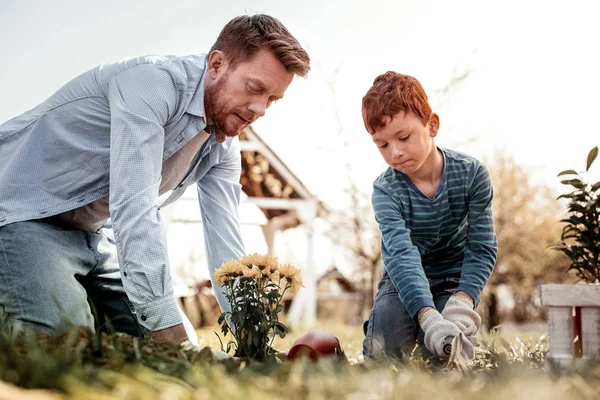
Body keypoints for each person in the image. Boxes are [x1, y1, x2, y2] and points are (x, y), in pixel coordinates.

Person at [0, 14, 310, 348]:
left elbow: (226, 247)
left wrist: (252, 337)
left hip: (94, 237)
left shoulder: (223, 146)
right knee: (65, 347)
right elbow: (134, 208)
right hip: (22, 216)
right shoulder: (150, 84)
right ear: (217, 64)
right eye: (255, 88)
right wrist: (167, 329)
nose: (261, 109)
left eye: (273, 99)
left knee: (181, 349)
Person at [361, 72, 498, 362]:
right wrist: (427, 315)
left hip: (453, 280)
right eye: (382, 145)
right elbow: (401, 256)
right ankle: (388, 321)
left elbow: (482, 247)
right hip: (401, 282)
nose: (395, 152)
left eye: (404, 137)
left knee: (442, 353)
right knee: (385, 350)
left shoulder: (473, 175)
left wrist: (462, 302)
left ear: (432, 125)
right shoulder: (386, 190)